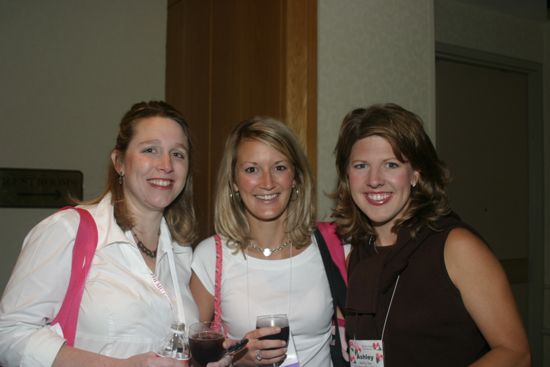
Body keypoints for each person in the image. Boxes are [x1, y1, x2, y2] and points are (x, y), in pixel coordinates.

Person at [0, 101, 202, 366]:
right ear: (119, 162)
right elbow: (9, 335)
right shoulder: (68, 231)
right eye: (150, 150)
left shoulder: (180, 251)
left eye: (178, 154)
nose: (166, 165)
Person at [332, 103, 531, 366]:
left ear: (415, 174)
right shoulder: (356, 254)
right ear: (347, 176)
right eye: (360, 166)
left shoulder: (455, 246)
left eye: (391, 164)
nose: (374, 180)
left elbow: (515, 354)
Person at [191, 117, 348, 367]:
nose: (267, 183)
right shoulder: (211, 256)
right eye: (251, 169)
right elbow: (189, 359)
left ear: (295, 177)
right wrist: (237, 360)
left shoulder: (331, 246)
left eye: (279, 167)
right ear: (233, 181)